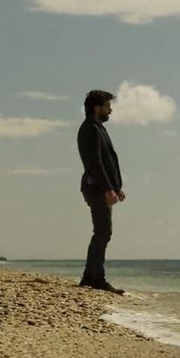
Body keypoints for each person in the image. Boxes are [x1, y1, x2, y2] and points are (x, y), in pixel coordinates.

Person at [77, 89, 127, 294]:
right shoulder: (90, 129)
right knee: (103, 232)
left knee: (102, 232)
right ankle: (96, 278)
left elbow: (106, 161)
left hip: (100, 187)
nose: (111, 110)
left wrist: (115, 187)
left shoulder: (97, 128)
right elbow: (95, 162)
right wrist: (108, 189)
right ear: (98, 107)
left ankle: (91, 276)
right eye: (108, 105)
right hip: (96, 188)